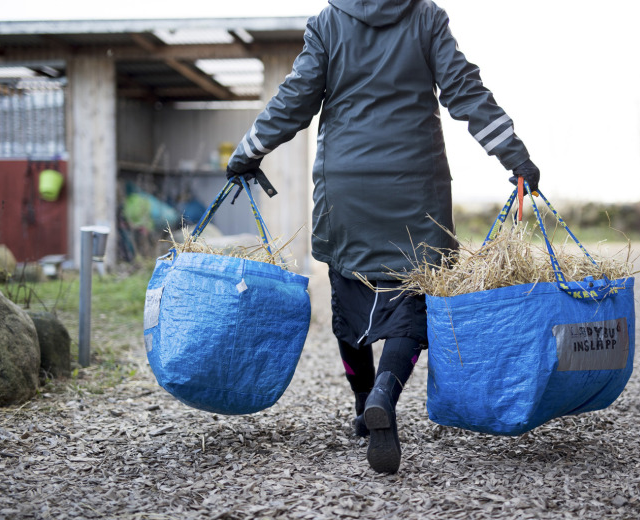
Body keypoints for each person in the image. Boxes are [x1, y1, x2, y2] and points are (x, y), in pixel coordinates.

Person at [226, 0, 540, 474]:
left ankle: (361, 407)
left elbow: (295, 99)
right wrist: (515, 157)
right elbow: (465, 91)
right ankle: (384, 397)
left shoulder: (328, 24)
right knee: (412, 305)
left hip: (345, 187)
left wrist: (248, 152)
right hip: (415, 186)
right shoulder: (426, 18)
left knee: (348, 301)